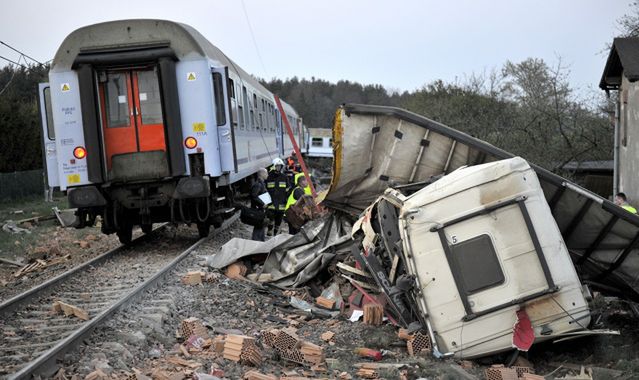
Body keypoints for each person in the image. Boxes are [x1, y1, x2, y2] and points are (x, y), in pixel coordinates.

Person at [265, 158, 289, 236]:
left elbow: (288, 189)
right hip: (271, 203)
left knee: (278, 221)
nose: (278, 167)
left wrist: (286, 199)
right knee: (271, 219)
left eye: (280, 166)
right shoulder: (268, 177)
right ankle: (269, 231)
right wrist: (267, 202)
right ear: (274, 166)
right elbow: (264, 190)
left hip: (281, 203)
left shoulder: (284, 177)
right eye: (277, 166)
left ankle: (276, 234)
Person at [250, 168, 268, 241]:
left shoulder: (261, 183)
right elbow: (254, 196)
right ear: (262, 174)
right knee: (259, 225)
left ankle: (261, 240)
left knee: (261, 225)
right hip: (258, 209)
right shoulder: (258, 185)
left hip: (261, 208)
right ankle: (256, 241)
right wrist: (262, 203)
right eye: (266, 173)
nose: (267, 175)